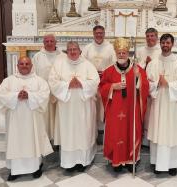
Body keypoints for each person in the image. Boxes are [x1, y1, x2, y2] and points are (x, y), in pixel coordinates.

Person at [0, 56, 53, 181]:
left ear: (31, 66)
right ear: (17, 66)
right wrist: (16, 96)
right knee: (16, 141)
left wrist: (30, 96)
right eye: (22, 64)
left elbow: (45, 95)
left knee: (33, 141)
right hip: (15, 120)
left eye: (27, 64)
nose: (24, 66)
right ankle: (15, 170)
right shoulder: (9, 80)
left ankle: (35, 168)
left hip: (33, 120)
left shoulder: (39, 81)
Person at [99, 37, 149, 172]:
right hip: (115, 111)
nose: (121, 55)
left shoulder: (137, 69)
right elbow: (101, 87)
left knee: (131, 132)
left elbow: (145, 87)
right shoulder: (109, 70)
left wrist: (139, 77)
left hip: (131, 109)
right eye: (119, 52)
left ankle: (131, 159)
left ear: (128, 53)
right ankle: (117, 161)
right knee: (116, 134)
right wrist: (112, 86)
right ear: (116, 53)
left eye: (124, 53)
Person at [48, 41, 99, 172]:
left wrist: (81, 83)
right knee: (68, 133)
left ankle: (83, 161)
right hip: (66, 108)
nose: (72, 52)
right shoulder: (59, 64)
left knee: (83, 132)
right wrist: (67, 85)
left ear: (79, 51)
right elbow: (52, 82)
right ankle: (69, 162)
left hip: (84, 106)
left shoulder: (87, 65)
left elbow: (95, 81)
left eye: (74, 49)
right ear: (66, 51)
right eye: (69, 49)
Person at [146, 33, 177, 176]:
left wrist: (169, 84)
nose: (165, 45)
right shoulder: (153, 63)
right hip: (157, 104)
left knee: (172, 132)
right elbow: (147, 83)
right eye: (163, 43)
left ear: (172, 44)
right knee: (158, 132)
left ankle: (173, 164)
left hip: (172, 106)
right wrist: (156, 83)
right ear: (160, 43)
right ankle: (156, 162)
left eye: (168, 43)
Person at [82, 25, 116, 133]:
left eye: (101, 33)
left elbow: (114, 64)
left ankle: (103, 130)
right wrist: (92, 74)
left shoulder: (110, 48)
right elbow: (82, 64)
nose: (99, 35)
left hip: (105, 81)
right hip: (91, 82)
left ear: (104, 34)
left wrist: (105, 73)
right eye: (97, 33)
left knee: (103, 106)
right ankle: (93, 131)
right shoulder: (87, 48)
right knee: (92, 106)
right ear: (93, 34)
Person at [32, 34, 64, 140]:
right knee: (45, 118)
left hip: (59, 93)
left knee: (59, 117)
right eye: (47, 41)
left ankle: (58, 139)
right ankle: (46, 140)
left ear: (56, 42)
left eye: (51, 41)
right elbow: (33, 75)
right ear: (43, 43)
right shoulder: (37, 57)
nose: (49, 43)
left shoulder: (62, 56)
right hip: (43, 93)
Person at [136, 27, 160, 146]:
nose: (150, 38)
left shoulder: (161, 50)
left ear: (156, 37)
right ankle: (144, 139)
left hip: (156, 84)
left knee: (154, 113)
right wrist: (145, 63)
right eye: (148, 36)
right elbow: (137, 66)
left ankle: (153, 138)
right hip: (143, 84)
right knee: (144, 111)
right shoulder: (141, 50)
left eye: (152, 36)